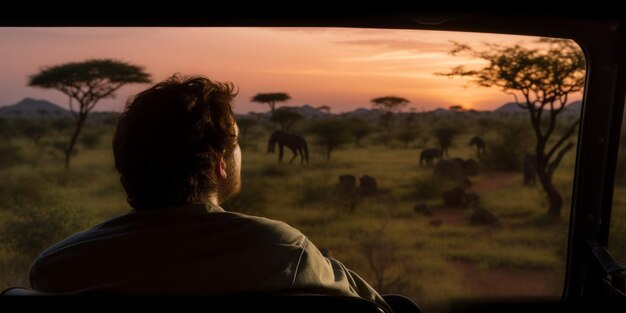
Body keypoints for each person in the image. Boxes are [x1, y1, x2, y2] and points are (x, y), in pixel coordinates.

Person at [29, 75, 392, 311]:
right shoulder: (280, 249)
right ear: (220, 161)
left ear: (124, 163)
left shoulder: (56, 267)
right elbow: (378, 307)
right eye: (236, 143)